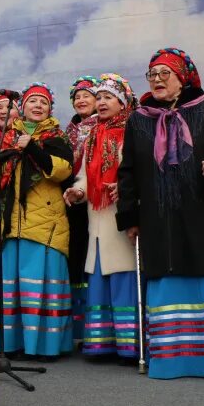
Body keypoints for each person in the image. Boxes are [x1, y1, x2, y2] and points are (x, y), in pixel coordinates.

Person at [117, 48, 204, 379]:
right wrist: (129, 217)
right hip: (158, 220)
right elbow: (128, 172)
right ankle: (170, 359)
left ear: (184, 78)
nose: (157, 80)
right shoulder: (139, 119)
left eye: (166, 73)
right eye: (152, 75)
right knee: (166, 274)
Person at [0, 83, 74, 360]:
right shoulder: (7, 138)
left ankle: (44, 347)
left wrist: (33, 148)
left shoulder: (57, 137)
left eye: (44, 102)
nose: (38, 106)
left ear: (50, 109)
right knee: (11, 286)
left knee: (38, 285)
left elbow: (61, 171)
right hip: (10, 223)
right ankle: (10, 345)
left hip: (44, 223)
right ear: (22, 107)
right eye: (32, 101)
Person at [63, 74, 140, 362]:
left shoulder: (132, 131)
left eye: (109, 97)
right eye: (101, 97)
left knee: (122, 276)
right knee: (98, 276)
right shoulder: (94, 134)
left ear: (123, 102)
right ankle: (102, 344)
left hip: (121, 217)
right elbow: (84, 174)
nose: (102, 102)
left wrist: (126, 188)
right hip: (96, 217)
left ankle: (129, 345)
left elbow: (140, 171)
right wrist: (78, 191)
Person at [65, 75, 99, 346]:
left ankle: (97, 327)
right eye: (77, 97)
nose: (81, 100)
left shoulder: (105, 125)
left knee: (95, 258)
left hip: (98, 199)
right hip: (73, 202)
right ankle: (79, 328)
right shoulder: (69, 131)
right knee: (77, 257)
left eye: (87, 95)